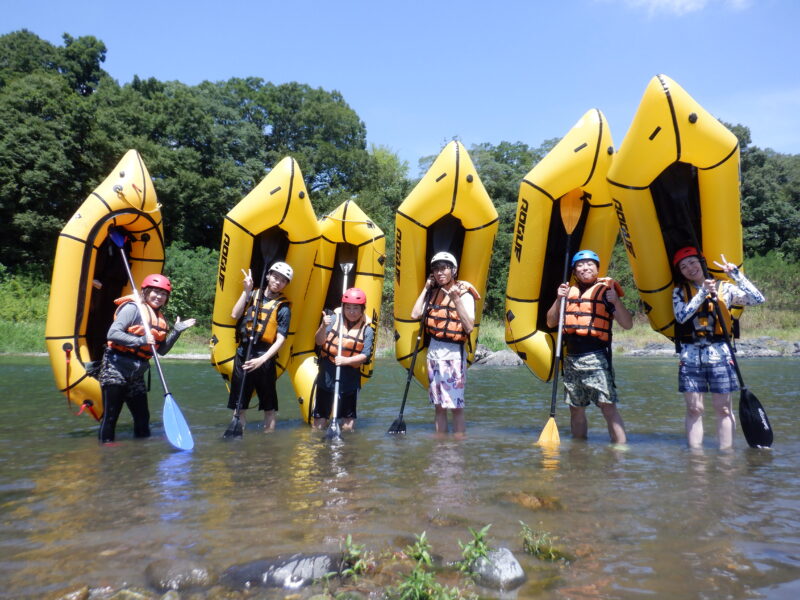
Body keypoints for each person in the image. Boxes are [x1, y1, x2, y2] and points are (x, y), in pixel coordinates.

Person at [672, 247, 765, 450]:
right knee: (694, 409)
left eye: (693, 262)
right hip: (690, 355)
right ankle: (696, 458)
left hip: (720, 354)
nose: (690, 268)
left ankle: (727, 456)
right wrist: (703, 292)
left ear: (702, 263)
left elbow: (758, 299)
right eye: (684, 266)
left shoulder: (726, 288)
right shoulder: (680, 291)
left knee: (723, 408)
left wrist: (736, 275)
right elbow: (681, 316)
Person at [546, 249, 633, 444]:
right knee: (575, 408)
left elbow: (627, 324)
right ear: (575, 271)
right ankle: (578, 451)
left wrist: (616, 302)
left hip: (597, 358)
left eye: (589, 264)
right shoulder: (567, 293)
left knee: (607, 406)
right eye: (580, 265)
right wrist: (559, 299)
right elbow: (551, 322)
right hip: (572, 360)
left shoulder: (606, 292)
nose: (585, 268)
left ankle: (620, 452)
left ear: (597, 268)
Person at [98, 274, 196, 443]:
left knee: (143, 418)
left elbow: (162, 351)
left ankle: (141, 453)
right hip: (116, 367)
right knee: (111, 416)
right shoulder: (133, 309)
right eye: (155, 292)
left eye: (164, 294)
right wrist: (141, 340)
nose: (159, 296)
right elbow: (112, 334)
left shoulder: (160, 319)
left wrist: (177, 331)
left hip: (137, 373)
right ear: (146, 292)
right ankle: (107, 455)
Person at [411, 251, 479, 435]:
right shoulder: (433, 293)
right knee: (439, 407)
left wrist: (456, 299)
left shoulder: (464, 294)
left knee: (456, 407)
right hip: (434, 354)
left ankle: (457, 452)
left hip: (453, 356)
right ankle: (440, 449)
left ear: (453, 271)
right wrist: (426, 288)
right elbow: (415, 314)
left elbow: (469, 326)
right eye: (436, 269)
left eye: (444, 268)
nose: (440, 272)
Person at [228, 262, 292, 432]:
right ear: (268, 276)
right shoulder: (252, 294)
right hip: (244, 354)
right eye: (276, 277)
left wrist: (262, 359)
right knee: (239, 406)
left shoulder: (283, 307)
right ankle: (237, 438)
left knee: (269, 407)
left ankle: (267, 446)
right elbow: (234, 314)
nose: (278, 282)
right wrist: (246, 291)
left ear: (285, 285)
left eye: (283, 281)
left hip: (265, 359)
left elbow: (280, 339)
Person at [312, 287, 374, 432]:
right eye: (348, 308)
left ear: (362, 309)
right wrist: (323, 326)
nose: (352, 312)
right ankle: (317, 447)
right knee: (320, 418)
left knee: (348, 420)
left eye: (356, 308)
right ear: (343, 308)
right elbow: (319, 341)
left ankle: (347, 450)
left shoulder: (367, 330)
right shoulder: (333, 320)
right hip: (327, 372)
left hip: (350, 377)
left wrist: (346, 361)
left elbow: (365, 355)